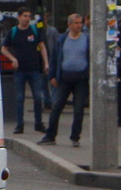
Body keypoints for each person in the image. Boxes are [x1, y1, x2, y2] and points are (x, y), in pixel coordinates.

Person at [38, 13, 89, 147]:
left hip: (81, 78)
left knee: (78, 109)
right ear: (69, 25)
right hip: (64, 78)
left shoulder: (87, 39)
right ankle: (50, 136)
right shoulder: (62, 39)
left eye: (80, 23)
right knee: (56, 108)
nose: (79, 25)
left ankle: (75, 137)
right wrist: (52, 76)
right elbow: (55, 58)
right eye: (76, 23)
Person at [0, 7, 47, 135]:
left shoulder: (34, 30)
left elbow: (42, 46)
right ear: (19, 17)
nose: (27, 18)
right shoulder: (14, 32)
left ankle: (39, 123)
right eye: (25, 16)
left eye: (29, 16)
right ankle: (19, 124)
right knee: (20, 98)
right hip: (20, 70)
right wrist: (12, 59)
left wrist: (46, 63)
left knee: (38, 97)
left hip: (34, 69)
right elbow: (4, 48)